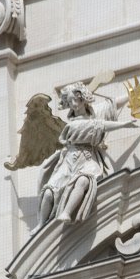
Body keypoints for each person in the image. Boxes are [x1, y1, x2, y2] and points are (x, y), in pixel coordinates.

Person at [35, 82, 134, 229]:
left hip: (88, 157)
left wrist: (131, 95)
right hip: (69, 160)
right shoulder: (71, 125)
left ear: (83, 98)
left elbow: (111, 105)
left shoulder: (96, 114)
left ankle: (67, 212)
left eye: (75, 100)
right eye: (69, 102)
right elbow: (98, 125)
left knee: (83, 180)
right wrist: (124, 124)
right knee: (49, 191)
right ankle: (41, 224)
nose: (73, 105)